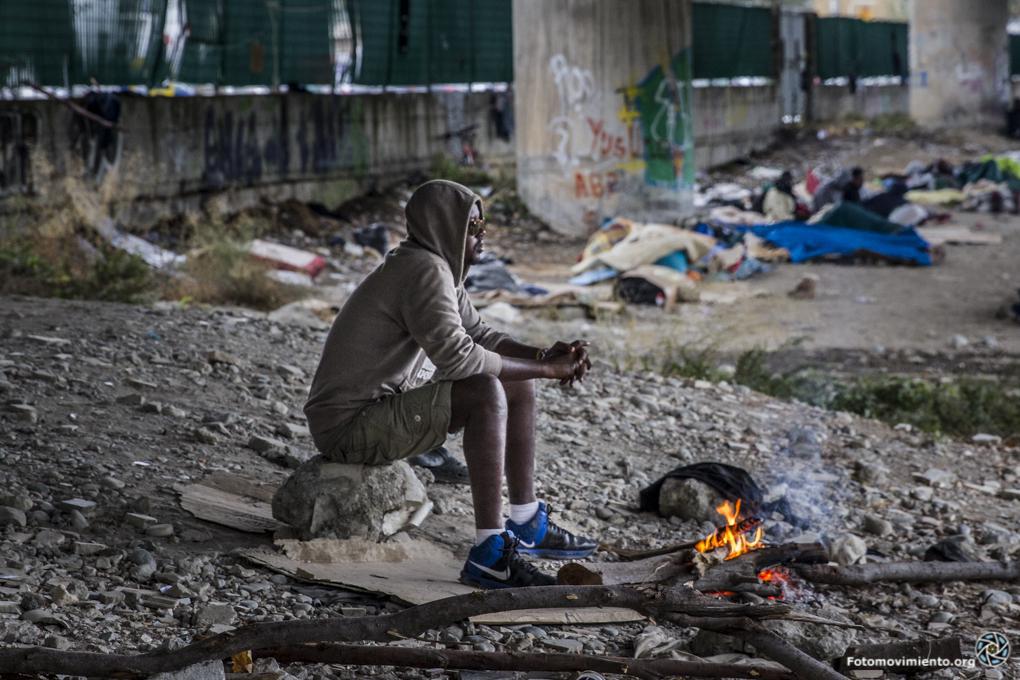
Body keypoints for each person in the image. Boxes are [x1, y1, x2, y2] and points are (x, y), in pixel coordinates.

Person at [304, 179, 597, 589]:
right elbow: (460, 358)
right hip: (351, 426)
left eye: (482, 224)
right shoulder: (422, 269)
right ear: (445, 226)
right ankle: (491, 554)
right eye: (472, 226)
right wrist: (549, 370)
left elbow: (481, 335)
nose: (482, 235)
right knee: (486, 391)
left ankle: (526, 521)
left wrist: (544, 356)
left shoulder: (437, 267)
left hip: (377, 413)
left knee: (516, 382)